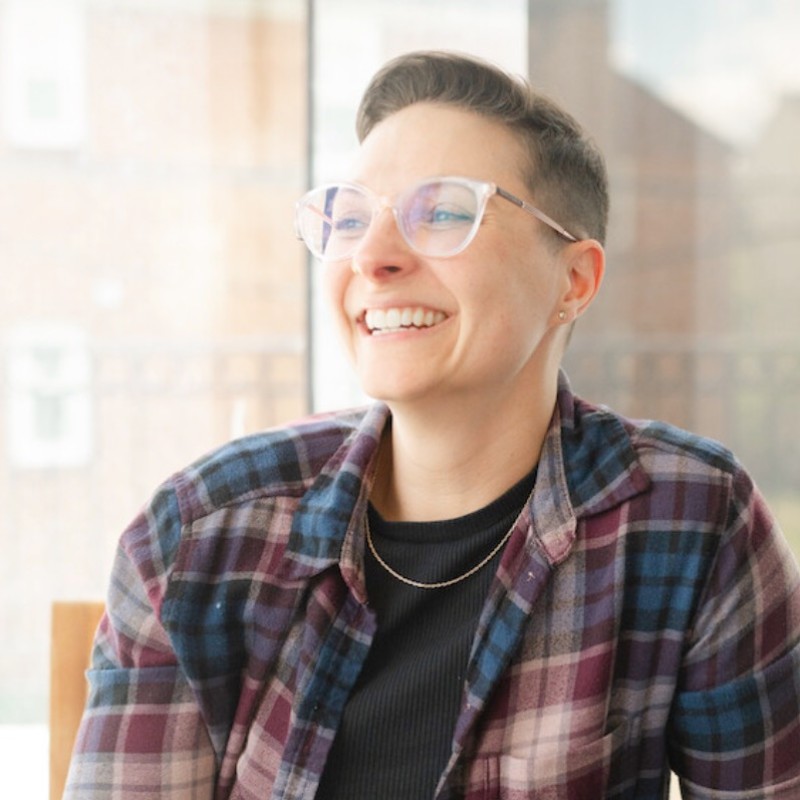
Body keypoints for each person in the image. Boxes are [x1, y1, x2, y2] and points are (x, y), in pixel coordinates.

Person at [65, 50, 800, 799]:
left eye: (444, 211)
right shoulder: (198, 537)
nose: (373, 257)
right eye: (350, 219)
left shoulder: (693, 520)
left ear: (573, 281)